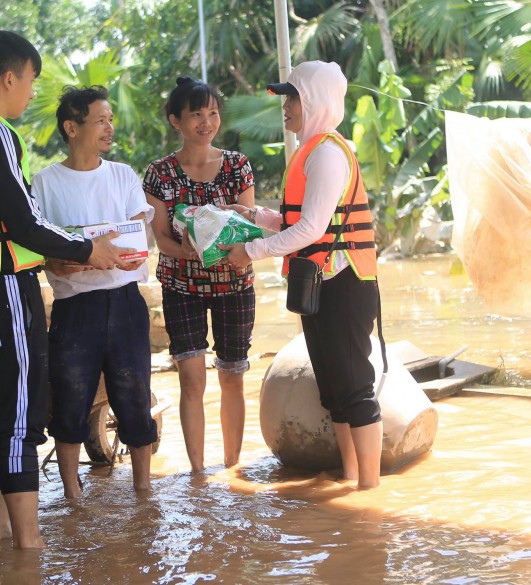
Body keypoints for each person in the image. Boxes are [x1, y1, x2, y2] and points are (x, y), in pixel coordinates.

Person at [0, 31, 132, 548]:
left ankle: (3, 534)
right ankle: (29, 546)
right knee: (21, 413)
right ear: (9, 78)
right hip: (5, 292)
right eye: (30, 81)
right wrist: (89, 249)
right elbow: (24, 222)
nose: (30, 92)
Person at [221, 61, 383, 489]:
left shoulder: (327, 153)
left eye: (292, 97)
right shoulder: (311, 150)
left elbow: (311, 229)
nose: (286, 106)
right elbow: (302, 222)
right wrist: (256, 216)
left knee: (354, 388)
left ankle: (369, 491)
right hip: (319, 283)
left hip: (344, 284)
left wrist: (250, 251)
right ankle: (351, 479)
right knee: (333, 390)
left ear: (314, 100)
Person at [31, 85, 158, 499]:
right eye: (100, 120)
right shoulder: (44, 184)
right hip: (73, 308)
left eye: (110, 120)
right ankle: (73, 497)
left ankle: (144, 492)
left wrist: (108, 255)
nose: (109, 128)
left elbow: (139, 242)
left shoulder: (123, 175)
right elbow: (45, 256)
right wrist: (79, 257)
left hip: (125, 304)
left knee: (135, 398)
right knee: (69, 402)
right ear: (72, 128)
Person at [143, 77, 256, 472]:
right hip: (181, 285)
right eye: (196, 115)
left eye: (212, 113)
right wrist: (188, 252)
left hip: (234, 284)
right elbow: (161, 238)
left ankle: (232, 470)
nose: (207, 122)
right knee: (191, 380)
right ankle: (197, 475)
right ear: (176, 120)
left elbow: (247, 226)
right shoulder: (159, 173)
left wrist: (224, 245)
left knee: (232, 377)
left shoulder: (237, 165)